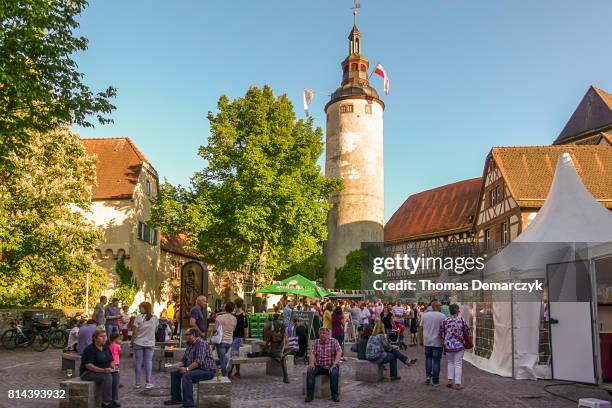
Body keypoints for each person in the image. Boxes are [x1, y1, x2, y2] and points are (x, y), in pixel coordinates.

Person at [164, 328, 216, 407]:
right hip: (197, 369)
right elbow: (183, 361)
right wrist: (172, 366)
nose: (185, 336)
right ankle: (176, 399)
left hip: (207, 370)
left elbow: (198, 361)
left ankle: (188, 404)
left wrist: (186, 369)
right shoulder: (190, 345)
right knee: (174, 373)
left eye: (187, 334)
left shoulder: (201, 343)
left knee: (187, 376)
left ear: (193, 335)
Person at [80, 329, 120, 408]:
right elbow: (88, 365)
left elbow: (111, 360)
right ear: (95, 338)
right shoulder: (89, 349)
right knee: (107, 376)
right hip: (88, 373)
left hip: (103, 371)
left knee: (115, 374)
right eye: (101, 336)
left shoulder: (106, 348)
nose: (104, 338)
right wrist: (103, 370)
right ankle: (106, 403)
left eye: (105, 336)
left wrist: (114, 367)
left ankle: (113, 399)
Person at [305, 328, 342, 403]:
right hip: (320, 365)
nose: (322, 334)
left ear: (328, 334)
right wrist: (311, 363)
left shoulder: (334, 341)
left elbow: (339, 352)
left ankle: (335, 395)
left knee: (334, 373)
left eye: (324, 333)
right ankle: (309, 396)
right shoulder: (316, 342)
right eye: (321, 333)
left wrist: (335, 364)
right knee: (310, 371)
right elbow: (312, 353)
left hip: (331, 365)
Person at [440, 304, 469, 390]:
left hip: (448, 345)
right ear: (458, 311)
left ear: (450, 310)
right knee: (458, 364)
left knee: (450, 362)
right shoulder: (462, 320)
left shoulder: (445, 320)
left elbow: (442, 333)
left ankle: (449, 381)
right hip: (459, 345)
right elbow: (467, 331)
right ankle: (457, 384)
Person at [419, 300, 446, 386]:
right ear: (435, 306)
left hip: (427, 341)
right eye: (439, 305)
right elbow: (444, 330)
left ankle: (428, 376)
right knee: (436, 361)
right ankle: (435, 381)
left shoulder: (425, 315)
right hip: (438, 342)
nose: (441, 307)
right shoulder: (442, 316)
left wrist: (421, 340)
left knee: (428, 359)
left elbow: (420, 328)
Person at [132, 301, 158, 389]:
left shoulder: (138, 318)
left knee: (138, 362)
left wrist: (132, 341)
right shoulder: (155, 318)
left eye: (141, 308)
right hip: (150, 343)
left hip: (138, 342)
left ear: (145, 308)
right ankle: (148, 382)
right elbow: (156, 330)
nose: (140, 309)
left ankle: (137, 383)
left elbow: (135, 332)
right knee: (148, 362)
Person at [214, 301, 237, 377]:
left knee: (222, 359)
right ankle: (226, 362)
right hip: (229, 341)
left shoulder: (219, 317)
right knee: (223, 358)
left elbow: (215, 330)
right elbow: (233, 329)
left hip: (221, 341)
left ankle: (225, 376)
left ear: (225, 308)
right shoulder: (234, 319)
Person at [228, 298, 248, 378]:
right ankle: (237, 372)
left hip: (238, 337)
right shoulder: (235, 314)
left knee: (234, 354)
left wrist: (245, 338)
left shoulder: (243, 315)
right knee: (234, 354)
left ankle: (230, 372)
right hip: (233, 336)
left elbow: (245, 327)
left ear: (236, 305)